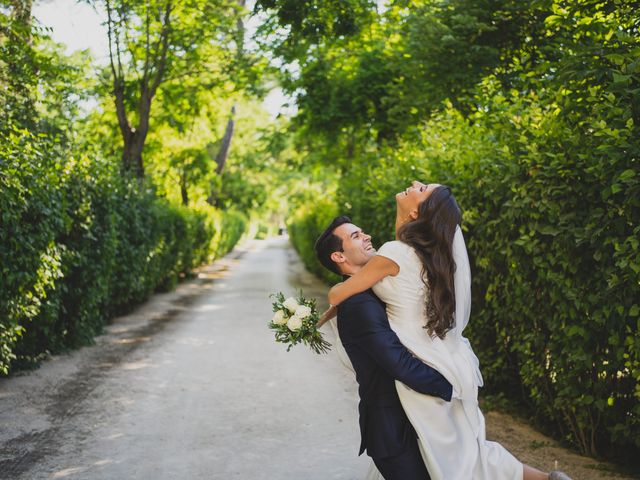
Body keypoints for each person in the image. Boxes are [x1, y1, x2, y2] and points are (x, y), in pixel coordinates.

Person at [323, 182, 572, 480]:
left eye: (422, 187)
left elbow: (338, 295)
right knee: (461, 450)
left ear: (417, 211)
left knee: (449, 459)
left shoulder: (393, 253)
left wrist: (334, 296)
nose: (414, 183)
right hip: (444, 355)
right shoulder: (424, 254)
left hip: (420, 358)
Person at [314, 217, 454, 480]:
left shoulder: (374, 290)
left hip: (411, 420)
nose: (366, 236)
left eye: (362, 231)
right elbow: (397, 361)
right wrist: (450, 387)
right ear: (338, 256)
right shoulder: (357, 304)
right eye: (356, 236)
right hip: (393, 430)